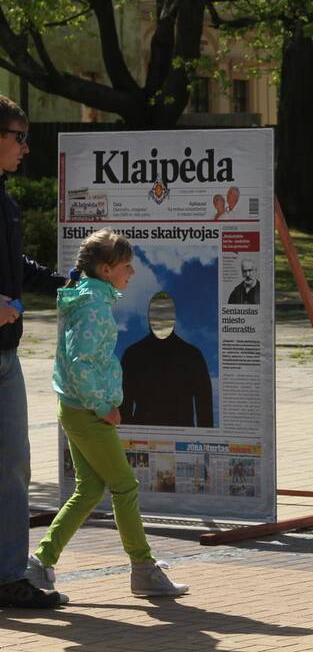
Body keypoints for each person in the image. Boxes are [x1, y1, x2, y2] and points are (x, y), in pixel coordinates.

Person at [26, 229, 188, 599]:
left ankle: (41, 561)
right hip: (87, 411)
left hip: (76, 407)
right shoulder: (93, 308)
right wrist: (102, 406)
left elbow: (81, 361)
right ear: (105, 270)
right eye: (126, 266)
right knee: (125, 486)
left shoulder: (89, 298)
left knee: (89, 489)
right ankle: (143, 569)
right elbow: (81, 363)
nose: (132, 272)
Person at [0, 96, 73, 609]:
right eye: (19, 137)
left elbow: (15, 266)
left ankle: (8, 577)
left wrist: (69, 283)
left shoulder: (5, 201)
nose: (26, 148)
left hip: (6, 355)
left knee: (13, 466)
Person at [120, 292, 215, 428]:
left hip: (166, 433)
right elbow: (124, 405)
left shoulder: (132, 354)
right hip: (150, 434)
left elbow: (204, 407)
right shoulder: (192, 355)